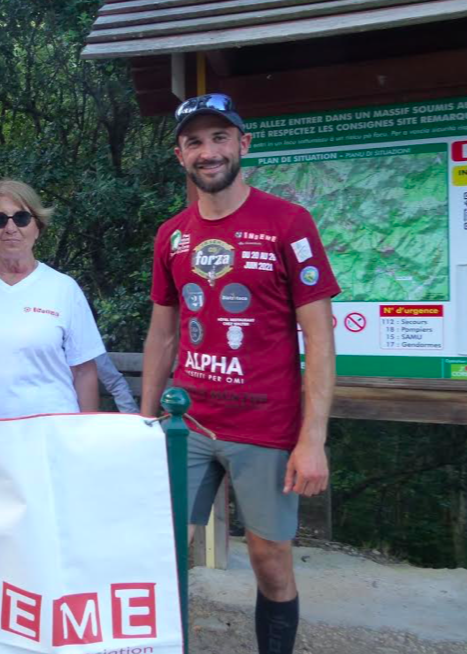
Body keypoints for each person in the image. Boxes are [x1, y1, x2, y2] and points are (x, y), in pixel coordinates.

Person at [140, 94, 339, 654]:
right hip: (190, 425)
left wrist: (313, 439)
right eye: (195, 142)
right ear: (180, 154)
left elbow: (320, 339)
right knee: (164, 548)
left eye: (220, 138)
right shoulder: (172, 235)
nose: (209, 152)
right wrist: (145, 417)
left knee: (269, 559)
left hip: (268, 429)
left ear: (243, 144)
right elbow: (163, 333)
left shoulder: (288, 223)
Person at [0, 179, 104, 419]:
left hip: (50, 437)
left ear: (38, 226)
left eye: (22, 218)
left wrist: (85, 434)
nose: (10, 228)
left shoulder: (64, 289)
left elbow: (84, 370)